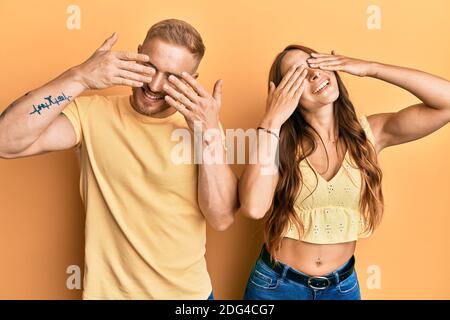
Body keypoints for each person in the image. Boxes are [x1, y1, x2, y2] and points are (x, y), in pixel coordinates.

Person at [0, 19, 239, 300]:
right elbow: (6, 141)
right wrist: (79, 77)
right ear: (137, 54)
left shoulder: (203, 128)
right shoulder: (90, 113)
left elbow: (221, 217)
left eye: (171, 77)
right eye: (149, 67)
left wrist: (207, 134)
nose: (154, 84)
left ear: (192, 82)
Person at [239, 44, 450, 300]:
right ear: (285, 95)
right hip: (275, 287)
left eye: (315, 65)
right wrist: (271, 120)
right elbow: (253, 208)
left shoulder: (369, 134)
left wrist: (370, 68)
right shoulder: (276, 141)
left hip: (341, 289)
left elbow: (446, 103)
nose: (314, 75)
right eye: (298, 76)